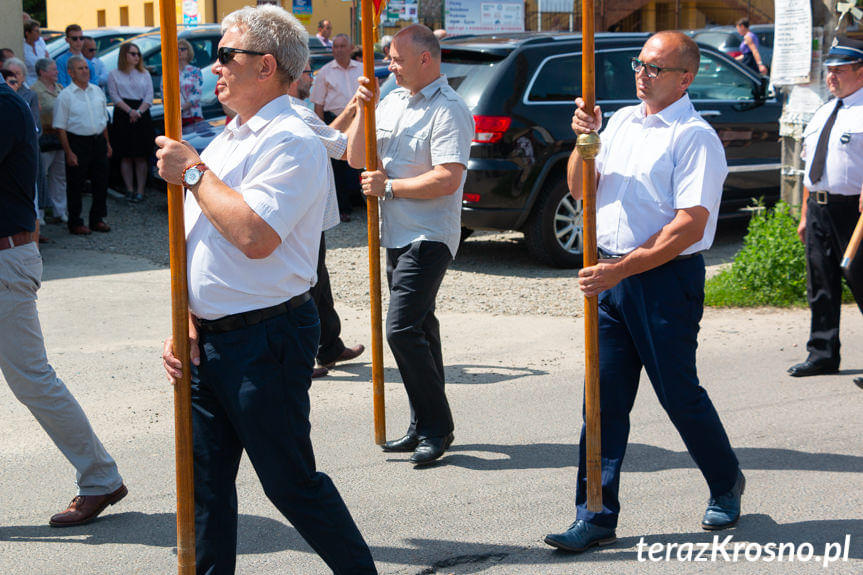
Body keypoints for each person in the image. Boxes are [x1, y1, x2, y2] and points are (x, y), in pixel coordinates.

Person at [156, 6, 376, 573]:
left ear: (267, 66)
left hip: (266, 337)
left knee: (290, 483)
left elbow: (255, 236)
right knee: (204, 487)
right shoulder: (230, 135)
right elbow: (196, 240)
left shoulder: (292, 139)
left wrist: (194, 173)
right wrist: (182, 316)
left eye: (226, 56)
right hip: (208, 338)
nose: (214, 69)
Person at [543, 31, 744, 553]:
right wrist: (582, 141)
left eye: (656, 67)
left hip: (662, 279)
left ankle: (725, 481)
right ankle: (594, 512)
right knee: (602, 401)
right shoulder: (624, 121)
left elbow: (688, 224)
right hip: (611, 276)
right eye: (640, 63)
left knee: (678, 393)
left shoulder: (694, 136)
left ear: (686, 78)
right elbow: (579, 189)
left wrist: (624, 270)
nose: (642, 73)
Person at [0, 73, 127, 529]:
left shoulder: (5, 104)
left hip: (5, 260)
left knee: (32, 379)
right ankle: (101, 476)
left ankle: (100, 477)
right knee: (33, 379)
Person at [347, 24, 473, 466]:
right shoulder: (392, 99)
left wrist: (391, 188)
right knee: (420, 328)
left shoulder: (449, 109)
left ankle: (436, 426)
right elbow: (357, 159)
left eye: (398, 59)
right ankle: (426, 423)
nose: (390, 66)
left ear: (427, 59)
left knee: (400, 329)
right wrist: (364, 109)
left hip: (429, 234)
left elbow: (448, 177)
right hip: (396, 233)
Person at [788, 37, 863, 390]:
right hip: (819, 206)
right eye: (829, 70)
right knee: (820, 284)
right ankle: (822, 353)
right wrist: (805, 211)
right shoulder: (823, 111)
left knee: (861, 279)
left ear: (860, 72)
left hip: (856, 211)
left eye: (839, 70)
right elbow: (808, 165)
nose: (830, 76)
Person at [288, 60, 365, 378]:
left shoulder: (293, 110)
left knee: (319, 281)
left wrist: (349, 108)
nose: (312, 78)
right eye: (308, 73)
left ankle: (329, 346)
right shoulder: (296, 111)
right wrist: (362, 112)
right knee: (308, 285)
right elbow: (345, 148)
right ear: (294, 77)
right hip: (304, 216)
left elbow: (325, 134)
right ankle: (305, 356)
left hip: (305, 215)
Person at [53, 56, 112, 235]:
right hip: (77, 142)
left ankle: (97, 219)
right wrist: (69, 152)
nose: (85, 71)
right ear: (70, 72)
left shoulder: (97, 91)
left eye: (86, 67)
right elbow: (60, 127)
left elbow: (103, 121)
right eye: (80, 68)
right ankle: (76, 222)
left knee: (101, 182)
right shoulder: (65, 96)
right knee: (76, 185)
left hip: (98, 141)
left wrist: (107, 144)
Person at [312, 33, 364, 221]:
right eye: (336, 46)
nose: (339, 50)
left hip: (359, 118)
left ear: (351, 49)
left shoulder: (363, 69)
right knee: (338, 168)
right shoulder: (325, 72)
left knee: (362, 162)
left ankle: (365, 203)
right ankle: (343, 208)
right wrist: (320, 131)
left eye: (343, 46)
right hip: (336, 120)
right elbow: (318, 105)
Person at [108, 42, 154, 203]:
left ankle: (140, 189)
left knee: (140, 155)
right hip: (123, 114)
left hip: (141, 113)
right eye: (132, 53)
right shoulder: (114, 74)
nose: (136, 57)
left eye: (138, 54)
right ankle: (129, 188)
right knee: (125, 155)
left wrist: (138, 111)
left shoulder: (144, 74)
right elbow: (114, 95)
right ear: (124, 55)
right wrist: (129, 111)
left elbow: (149, 96)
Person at [32, 58, 67, 224]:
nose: (57, 72)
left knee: (59, 176)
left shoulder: (60, 88)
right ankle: (39, 213)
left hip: (60, 137)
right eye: (53, 69)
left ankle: (60, 210)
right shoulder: (35, 90)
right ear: (42, 72)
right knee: (41, 175)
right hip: (45, 137)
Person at [177, 38, 204, 126]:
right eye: (177, 49)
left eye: (183, 49)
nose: (179, 51)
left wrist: (182, 108)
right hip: (175, 116)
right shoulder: (169, 73)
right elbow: (164, 93)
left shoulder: (195, 71)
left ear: (189, 51)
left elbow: (197, 93)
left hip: (194, 115)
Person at [22, 18, 49, 86]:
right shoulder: (23, 48)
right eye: (36, 31)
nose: (39, 33)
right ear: (28, 33)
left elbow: (47, 59)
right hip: (29, 83)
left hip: (43, 82)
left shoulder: (40, 44)